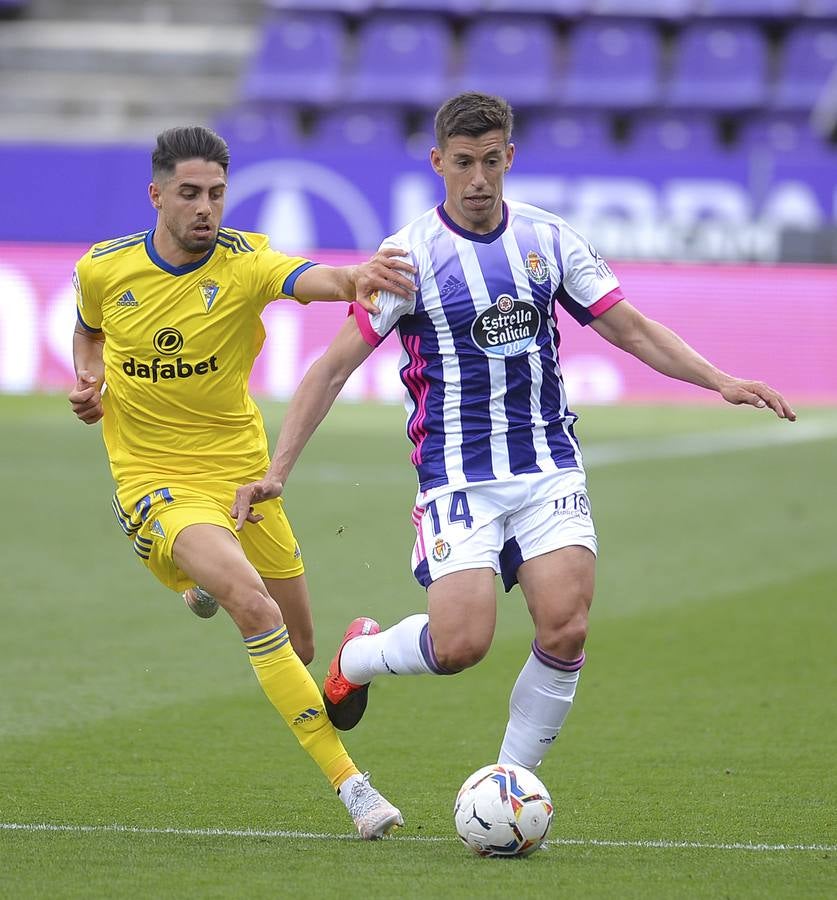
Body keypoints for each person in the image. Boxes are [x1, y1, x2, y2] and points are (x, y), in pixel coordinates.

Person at [231, 93, 797, 777]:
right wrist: (279, 469)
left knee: (566, 625)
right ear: (438, 162)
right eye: (462, 163)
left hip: (547, 466)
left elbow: (631, 328)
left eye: (490, 162)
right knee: (460, 644)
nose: (477, 179)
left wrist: (720, 380)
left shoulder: (548, 239)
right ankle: (361, 656)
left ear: (509, 158)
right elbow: (329, 370)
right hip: (458, 475)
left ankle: (510, 783)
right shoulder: (406, 257)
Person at [67, 125, 417, 839]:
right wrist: (90, 376)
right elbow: (88, 330)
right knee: (253, 609)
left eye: (217, 194)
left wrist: (356, 279)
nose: (206, 208)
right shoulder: (102, 270)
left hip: (240, 478)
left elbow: (315, 279)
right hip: (154, 479)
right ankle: (354, 789)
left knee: (301, 646)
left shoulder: (245, 261)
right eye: (190, 194)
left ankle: (327, 649)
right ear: (156, 194)